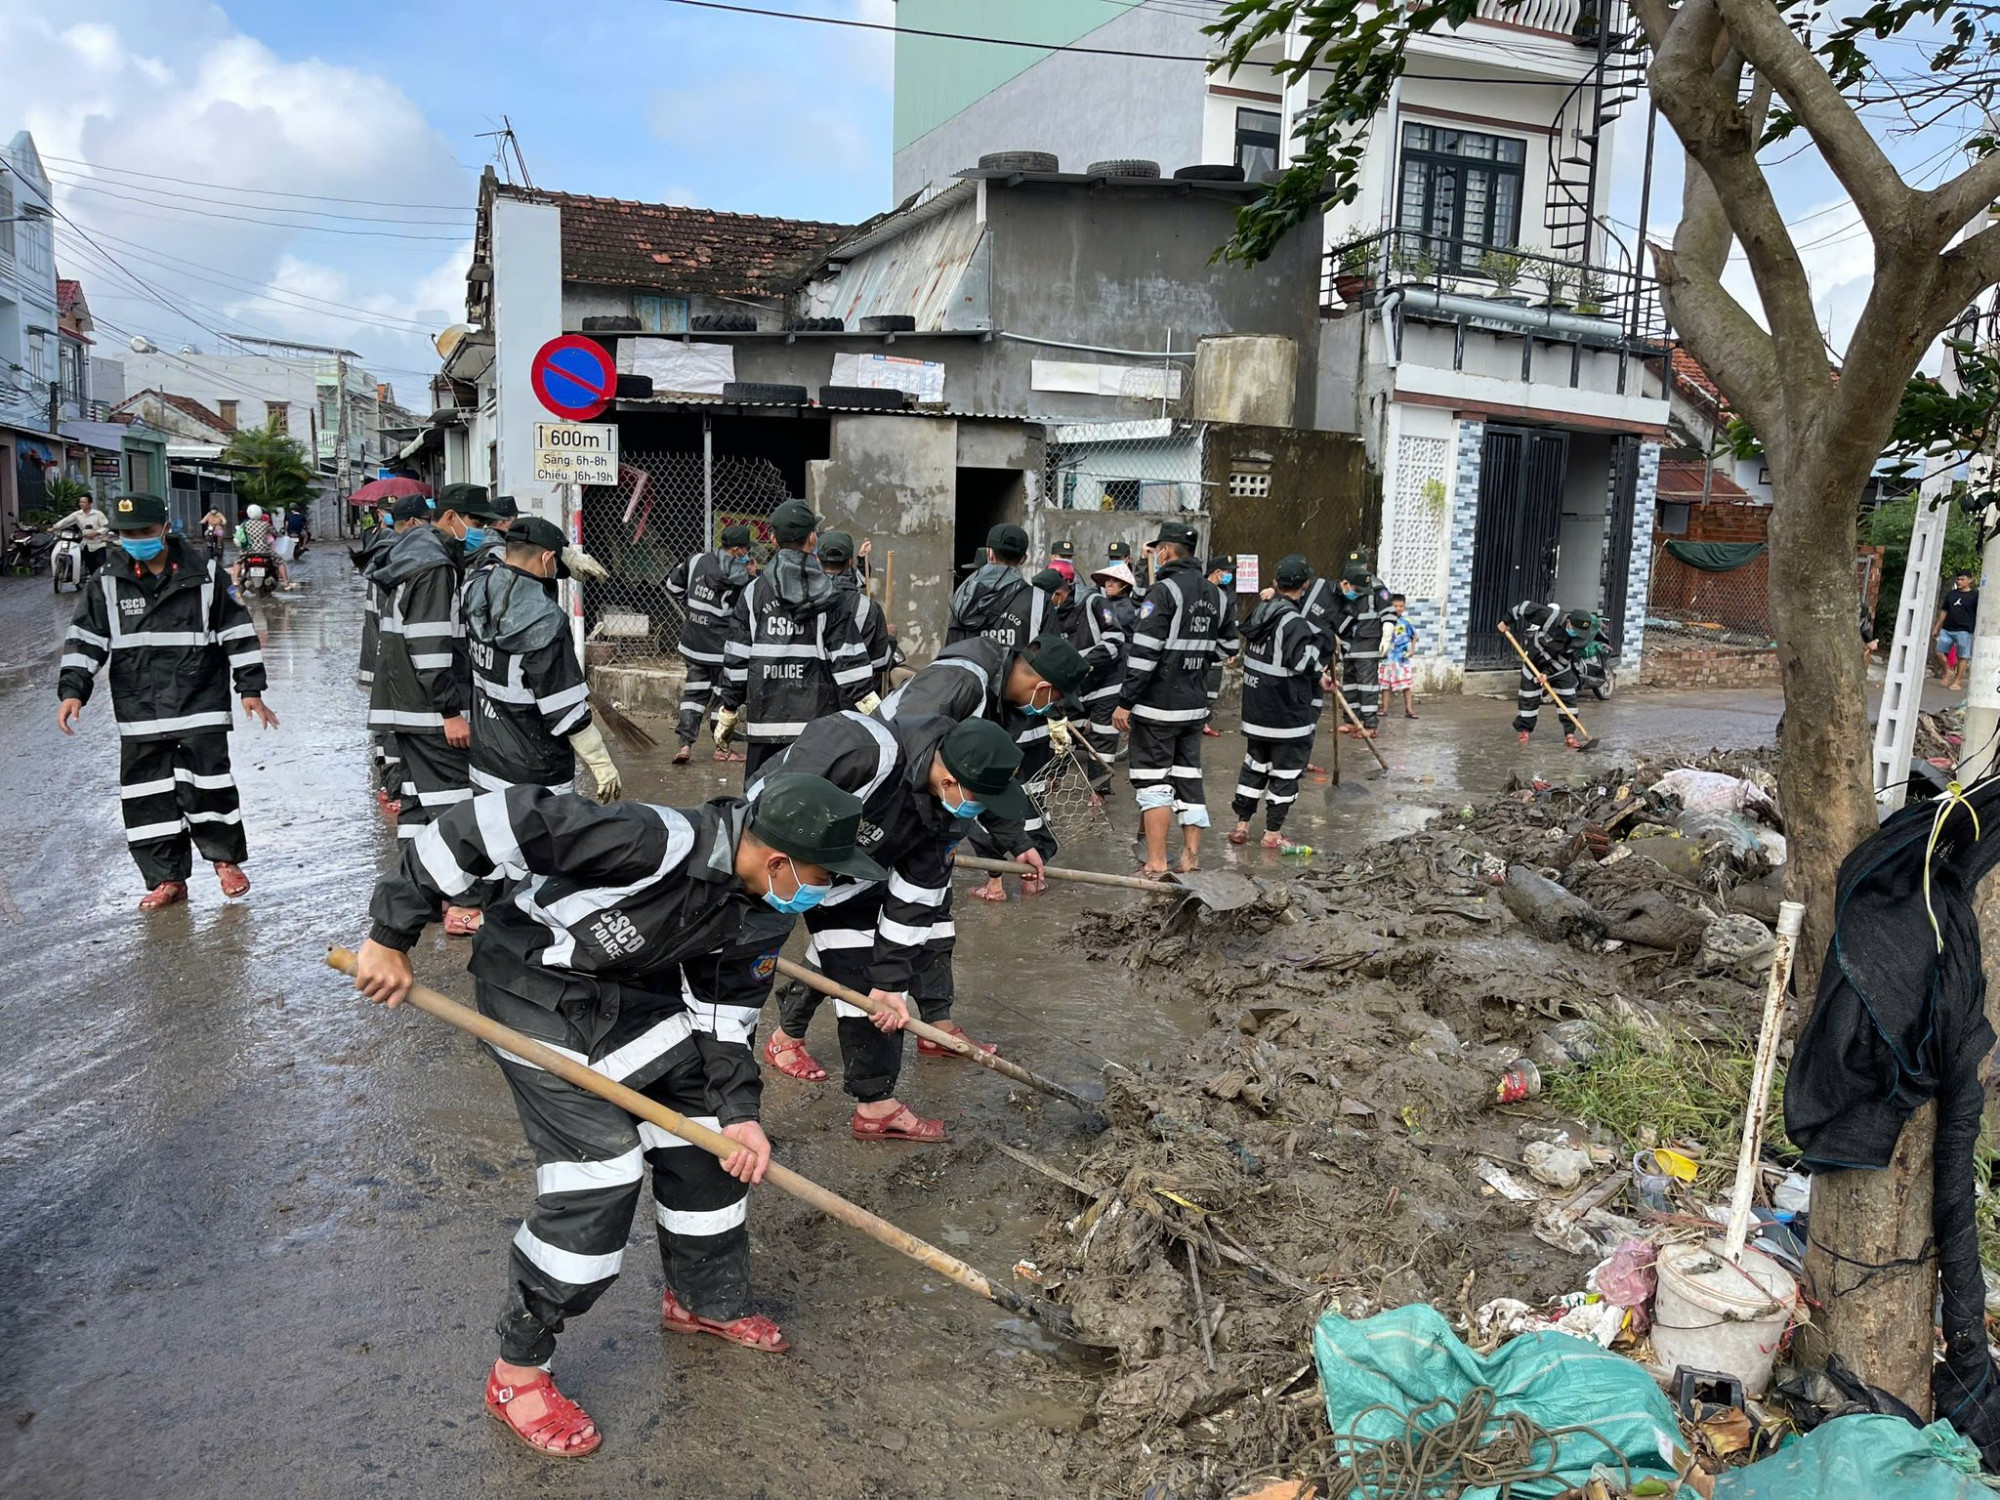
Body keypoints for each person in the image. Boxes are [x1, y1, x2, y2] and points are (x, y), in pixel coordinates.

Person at [350, 772, 884, 1458]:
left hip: (632, 1001)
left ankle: (701, 1300)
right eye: (823, 873)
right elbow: (488, 822)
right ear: (779, 860)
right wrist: (392, 932)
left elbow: (725, 1016)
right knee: (600, 1173)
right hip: (534, 992)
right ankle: (517, 1371)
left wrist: (740, 1111)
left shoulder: (763, 907)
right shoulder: (651, 841)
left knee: (710, 1142)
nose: (827, 889)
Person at [756, 714, 1032, 1140]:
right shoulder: (863, 752)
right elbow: (768, 807)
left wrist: (889, 981)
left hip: (854, 878)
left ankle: (873, 1103)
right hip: (775, 860)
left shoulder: (944, 816)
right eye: (981, 797)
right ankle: (747, 1089)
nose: (979, 811)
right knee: (748, 966)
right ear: (951, 779)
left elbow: (915, 899)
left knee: (869, 973)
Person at [56, 493, 279, 910]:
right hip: (139, 705)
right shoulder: (106, 580)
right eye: (126, 534)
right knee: (147, 795)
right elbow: (85, 639)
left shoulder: (207, 576)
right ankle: (166, 878)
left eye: (143, 531)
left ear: (164, 528)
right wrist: (73, 690)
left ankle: (225, 861)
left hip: (200, 701)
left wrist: (250, 689)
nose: (135, 539)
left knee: (209, 785)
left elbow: (239, 634)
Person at [876, 632, 1087, 1003]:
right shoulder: (961, 682)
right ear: (1044, 687)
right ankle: (790, 1032)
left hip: (930, 816)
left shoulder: (1007, 705)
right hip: (887, 804)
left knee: (935, 919)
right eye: (1054, 699)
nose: (1049, 708)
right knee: (851, 928)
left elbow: (987, 778)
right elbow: (908, 750)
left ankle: (938, 1024)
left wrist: (1018, 844)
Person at [367, 483, 493, 933]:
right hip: (427, 709)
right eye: (476, 524)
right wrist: (450, 711)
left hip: (401, 704)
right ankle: (463, 903)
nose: (479, 533)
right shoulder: (435, 564)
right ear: (452, 516)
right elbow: (432, 644)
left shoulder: (410, 554)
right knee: (456, 801)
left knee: (419, 804)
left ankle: (417, 893)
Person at [463, 516, 620, 802]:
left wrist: (564, 553)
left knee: (496, 844)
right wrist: (601, 765)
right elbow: (566, 710)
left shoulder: (475, 590)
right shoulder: (545, 623)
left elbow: (490, 556)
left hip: (485, 766)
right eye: (557, 562)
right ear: (548, 557)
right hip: (535, 777)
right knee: (543, 847)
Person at [716, 500, 874, 779]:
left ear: (773, 538)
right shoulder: (831, 597)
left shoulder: (752, 593)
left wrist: (728, 710)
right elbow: (850, 666)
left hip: (764, 728)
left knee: (759, 807)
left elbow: (737, 659)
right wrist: (878, 713)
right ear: (813, 539)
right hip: (816, 732)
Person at [1114, 521, 1227, 877]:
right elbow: (1228, 648)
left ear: (1165, 551)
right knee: (1188, 778)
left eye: (1158, 550)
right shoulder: (1217, 595)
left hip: (1156, 707)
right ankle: (1190, 857)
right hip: (1194, 707)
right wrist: (1193, 663)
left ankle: (1157, 861)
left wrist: (1126, 701)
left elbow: (1144, 654)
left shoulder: (1163, 593)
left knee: (1153, 783)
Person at [1229, 554, 1323, 849]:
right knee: (1285, 773)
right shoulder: (1293, 622)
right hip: (1286, 715)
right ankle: (1272, 834)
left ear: (1274, 583)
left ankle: (1241, 826)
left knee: (1254, 767)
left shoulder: (1261, 612)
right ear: (1305, 585)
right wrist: (1322, 651)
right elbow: (1302, 662)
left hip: (1256, 712)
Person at [359, 495, 431, 813]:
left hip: (380, 647)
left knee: (386, 722)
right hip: (390, 651)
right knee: (395, 725)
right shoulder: (405, 556)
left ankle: (390, 782)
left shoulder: (383, 548)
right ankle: (396, 786)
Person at [666, 523, 753, 764]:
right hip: (721, 649)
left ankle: (684, 745)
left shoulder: (695, 561)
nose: (747, 555)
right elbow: (744, 612)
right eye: (745, 550)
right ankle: (722, 748)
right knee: (723, 698)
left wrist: (692, 604)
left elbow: (672, 586)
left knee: (694, 694)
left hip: (692, 644)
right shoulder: (739, 578)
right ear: (736, 550)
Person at [1072, 559, 1137, 794]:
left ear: (1125, 586)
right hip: (1100, 675)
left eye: (1115, 581)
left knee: (1104, 734)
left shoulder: (1122, 608)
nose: (1109, 584)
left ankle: (1098, 790)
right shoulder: (1102, 605)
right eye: (1107, 580)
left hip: (1117, 671)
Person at [819, 530, 901, 695]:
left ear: (817, 560)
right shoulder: (868, 608)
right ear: (850, 562)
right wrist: (889, 637)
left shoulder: (800, 602)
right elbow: (880, 662)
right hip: (851, 698)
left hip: (810, 697)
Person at [1506, 600, 1593, 748]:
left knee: (1568, 698)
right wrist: (1506, 621)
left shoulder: (1580, 639)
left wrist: (1547, 673)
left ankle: (1570, 735)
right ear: (1569, 623)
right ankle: (1524, 731)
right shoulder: (1551, 617)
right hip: (1534, 661)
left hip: (1559, 667)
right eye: (1574, 630)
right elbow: (1525, 606)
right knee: (1528, 697)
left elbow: (1564, 659)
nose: (1575, 635)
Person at [946, 522, 1047, 648]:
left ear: (989, 553)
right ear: (1023, 559)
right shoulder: (1040, 600)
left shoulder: (964, 598)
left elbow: (950, 654)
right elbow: (1051, 656)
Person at [1332, 557, 1387, 737]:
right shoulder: (1345, 587)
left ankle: (1370, 724)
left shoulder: (1377, 587)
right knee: (1350, 682)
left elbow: (1388, 612)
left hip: (1368, 642)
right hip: (1349, 642)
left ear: (1366, 567)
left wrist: (1387, 634)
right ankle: (1351, 720)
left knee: (1367, 684)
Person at [1202, 554, 1238, 737]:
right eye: (1227, 572)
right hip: (1201, 645)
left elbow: (1231, 621)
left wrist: (1230, 646)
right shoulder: (1202, 590)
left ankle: (1205, 722)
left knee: (1212, 688)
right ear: (1216, 572)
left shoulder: (1227, 593)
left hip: (1218, 647)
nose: (1229, 576)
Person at [231, 503, 290, 589]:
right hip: (264, 550)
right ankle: (285, 582)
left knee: (237, 561)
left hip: (248, 550)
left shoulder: (244, 524)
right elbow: (276, 534)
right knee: (280, 561)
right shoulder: (265, 524)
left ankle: (235, 580)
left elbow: (238, 536)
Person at [1937, 570, 1978, 691]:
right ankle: (1948, 671)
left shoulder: (1975, 595)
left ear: (1970, 580)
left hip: (1964, 630)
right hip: (1947, 628)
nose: (1959, 582)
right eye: (1958, 579)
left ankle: (1957, 681)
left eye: (1962, 579)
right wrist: (1937, 627)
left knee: (1963, 657)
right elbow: (1944, 611)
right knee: (1939, 652)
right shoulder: (1951, 594)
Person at [53, 493, 112, 577]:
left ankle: (102, 582)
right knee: (90, 564)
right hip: (86, 543)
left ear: (90, 503)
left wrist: (96, 532)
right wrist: (54, 527)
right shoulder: (77, 514)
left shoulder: (98, 514)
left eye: (84, 502)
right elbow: (66, 521)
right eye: (80, 502)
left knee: (100, 564)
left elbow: (106, 526)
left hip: (99, 543)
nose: (81, 504)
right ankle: (93, 582)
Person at [1381, 594, 1419, 720]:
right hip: (1387, 657)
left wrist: (1412, 650)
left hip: (1402, 658)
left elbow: (1415, 636)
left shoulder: (1406, 621)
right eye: (1395, 606)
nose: (1398, 608)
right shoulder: (1385, 620)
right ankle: (1384, 708)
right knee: (1385, 685)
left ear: (1404, 606)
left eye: (1400, 606)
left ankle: (1409, 708)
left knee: (1406, 685)